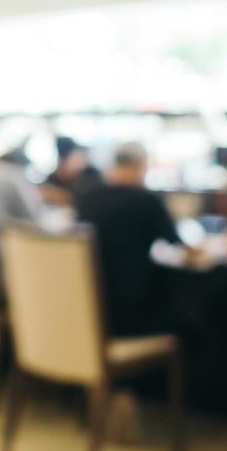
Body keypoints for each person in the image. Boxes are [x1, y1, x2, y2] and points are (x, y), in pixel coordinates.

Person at [75, 142, 181, 338]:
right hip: (136, 314)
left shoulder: (87, 199)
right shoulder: (146, 201)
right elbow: (177, 243)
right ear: (140, 165)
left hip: (94, 312)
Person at [42, 136, 103, 205]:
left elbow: (87, 199)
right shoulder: (56, 176)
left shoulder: (91, 174)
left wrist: (64, 197)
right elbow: (45, 190)